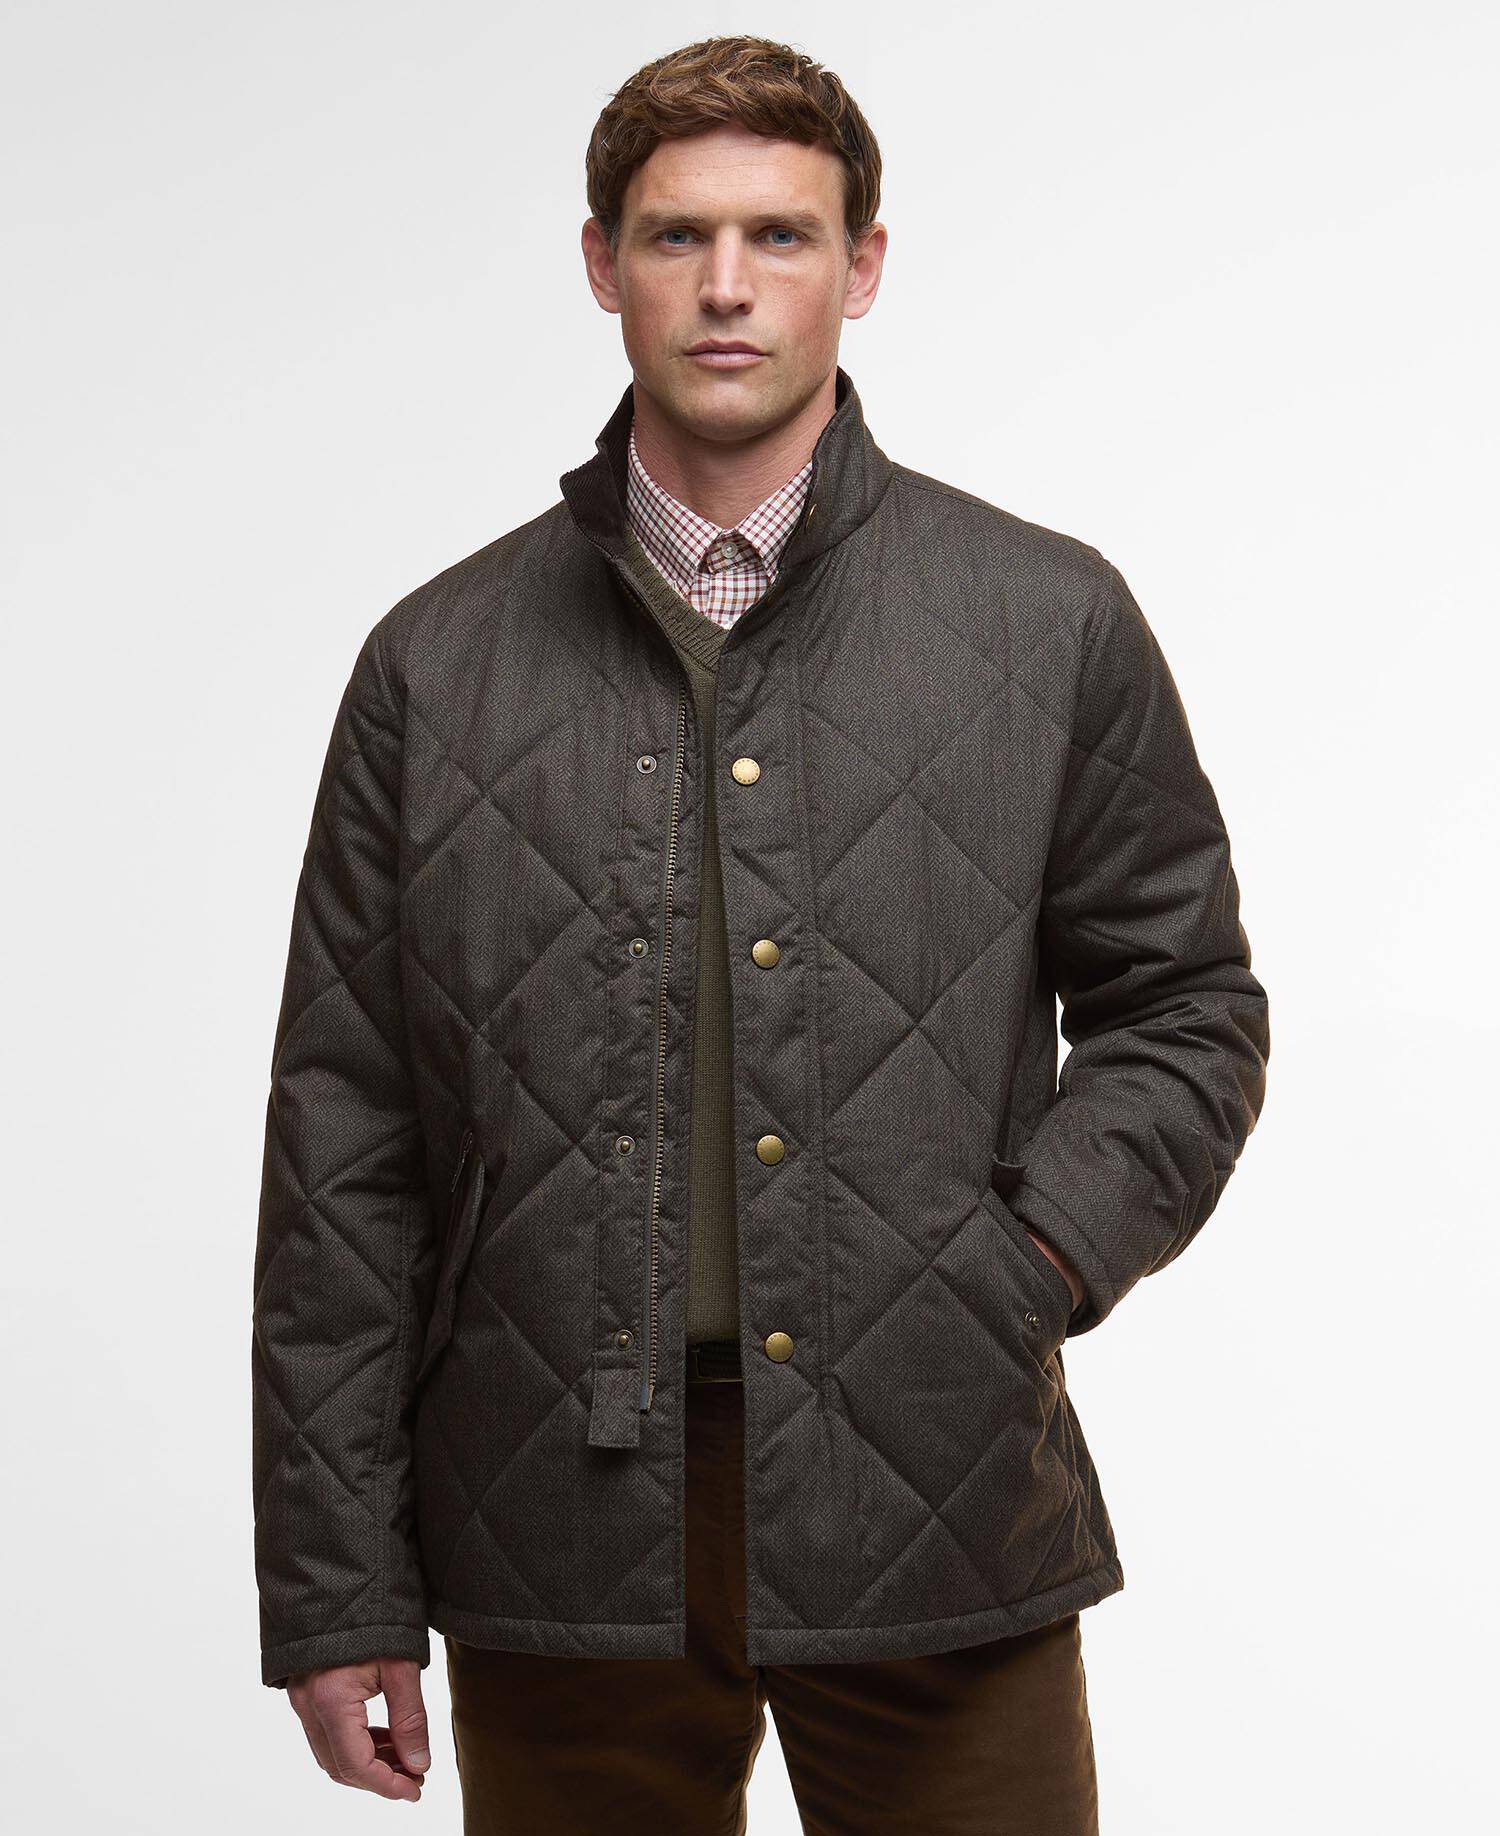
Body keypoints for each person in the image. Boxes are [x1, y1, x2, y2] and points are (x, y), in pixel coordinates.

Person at [252, 32, 1270, 1834]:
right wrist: (338, 1592)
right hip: (550, 1516)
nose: (727, 285)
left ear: (861, 267)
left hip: (939, 1486)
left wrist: (1023, 1265)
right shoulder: (437, 664)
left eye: (781, 236)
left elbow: (1185, 1007)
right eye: (677, 236)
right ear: (603, 265)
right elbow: (347, 1141)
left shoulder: (1044, 621)